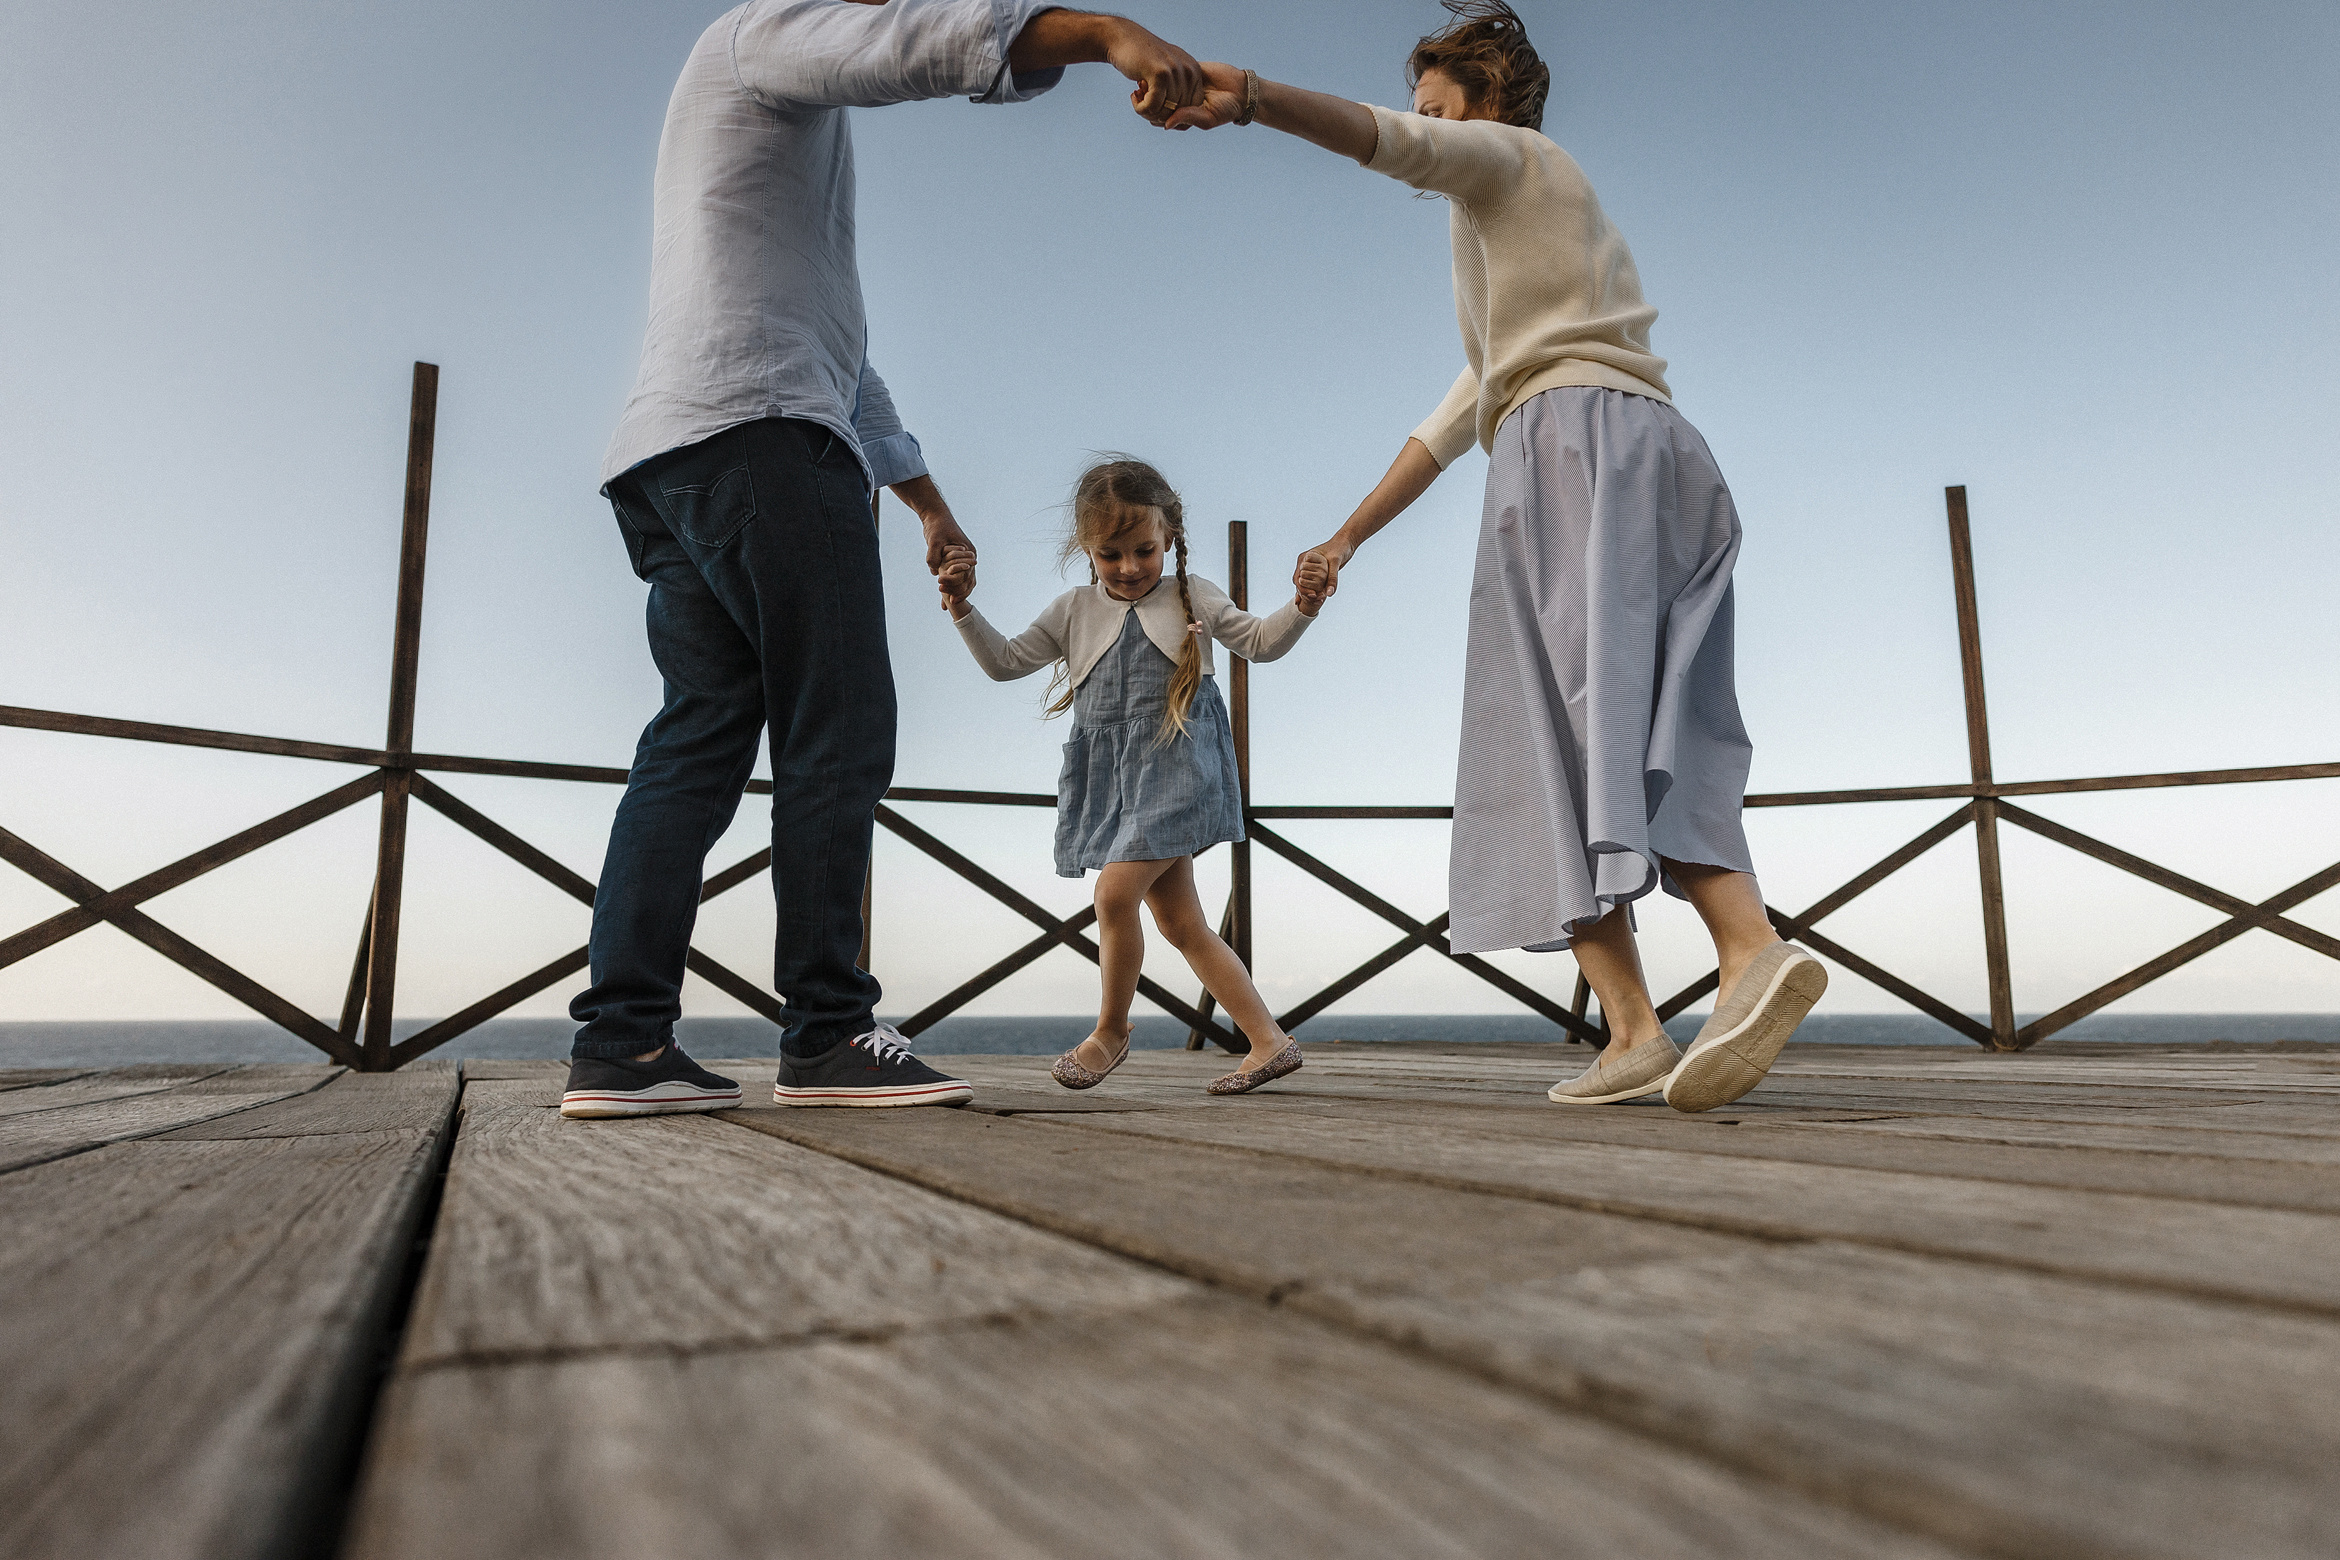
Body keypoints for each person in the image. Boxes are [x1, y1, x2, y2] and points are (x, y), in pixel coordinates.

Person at [1168, 1, 1826, 1113]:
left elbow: (1410, 150)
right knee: (1647, 713)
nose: (1418, 116)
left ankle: (1746, 955)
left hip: (1568, 446)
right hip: (1649, 444)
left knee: (1546, 729)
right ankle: (1638, 1026)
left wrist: (1255, 98)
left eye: (1434, 96)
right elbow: (1450, 417)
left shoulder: (1514, 163)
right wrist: (1346, 536)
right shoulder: (1537, 257)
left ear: (1486, 98)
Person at [560, 1, 1209, 1120]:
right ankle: (826, 1031)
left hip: (677, 456)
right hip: (765, 444)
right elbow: (914, 43)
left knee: (696, 744)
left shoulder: (776, 177)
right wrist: (1099, 35)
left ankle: (620, 1043)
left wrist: (928, 507)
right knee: (840, 731)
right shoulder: (762, 36)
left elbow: (843, 363)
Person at [938, 459, 1329, 1096]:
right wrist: (960, 608)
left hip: (1179, 771)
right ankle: (1269, 1042)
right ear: (1086, 549)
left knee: (1113, 898)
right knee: (1182, 925)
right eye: (1109, 553)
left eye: (1143, 550)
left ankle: (1111, 1032)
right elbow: (1006, 663)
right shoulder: (1074, 609)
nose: (1127, 567)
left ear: (1170, 536)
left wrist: (1304, 605)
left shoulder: (1192, 594)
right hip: (1119, 786)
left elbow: (1260, 642)